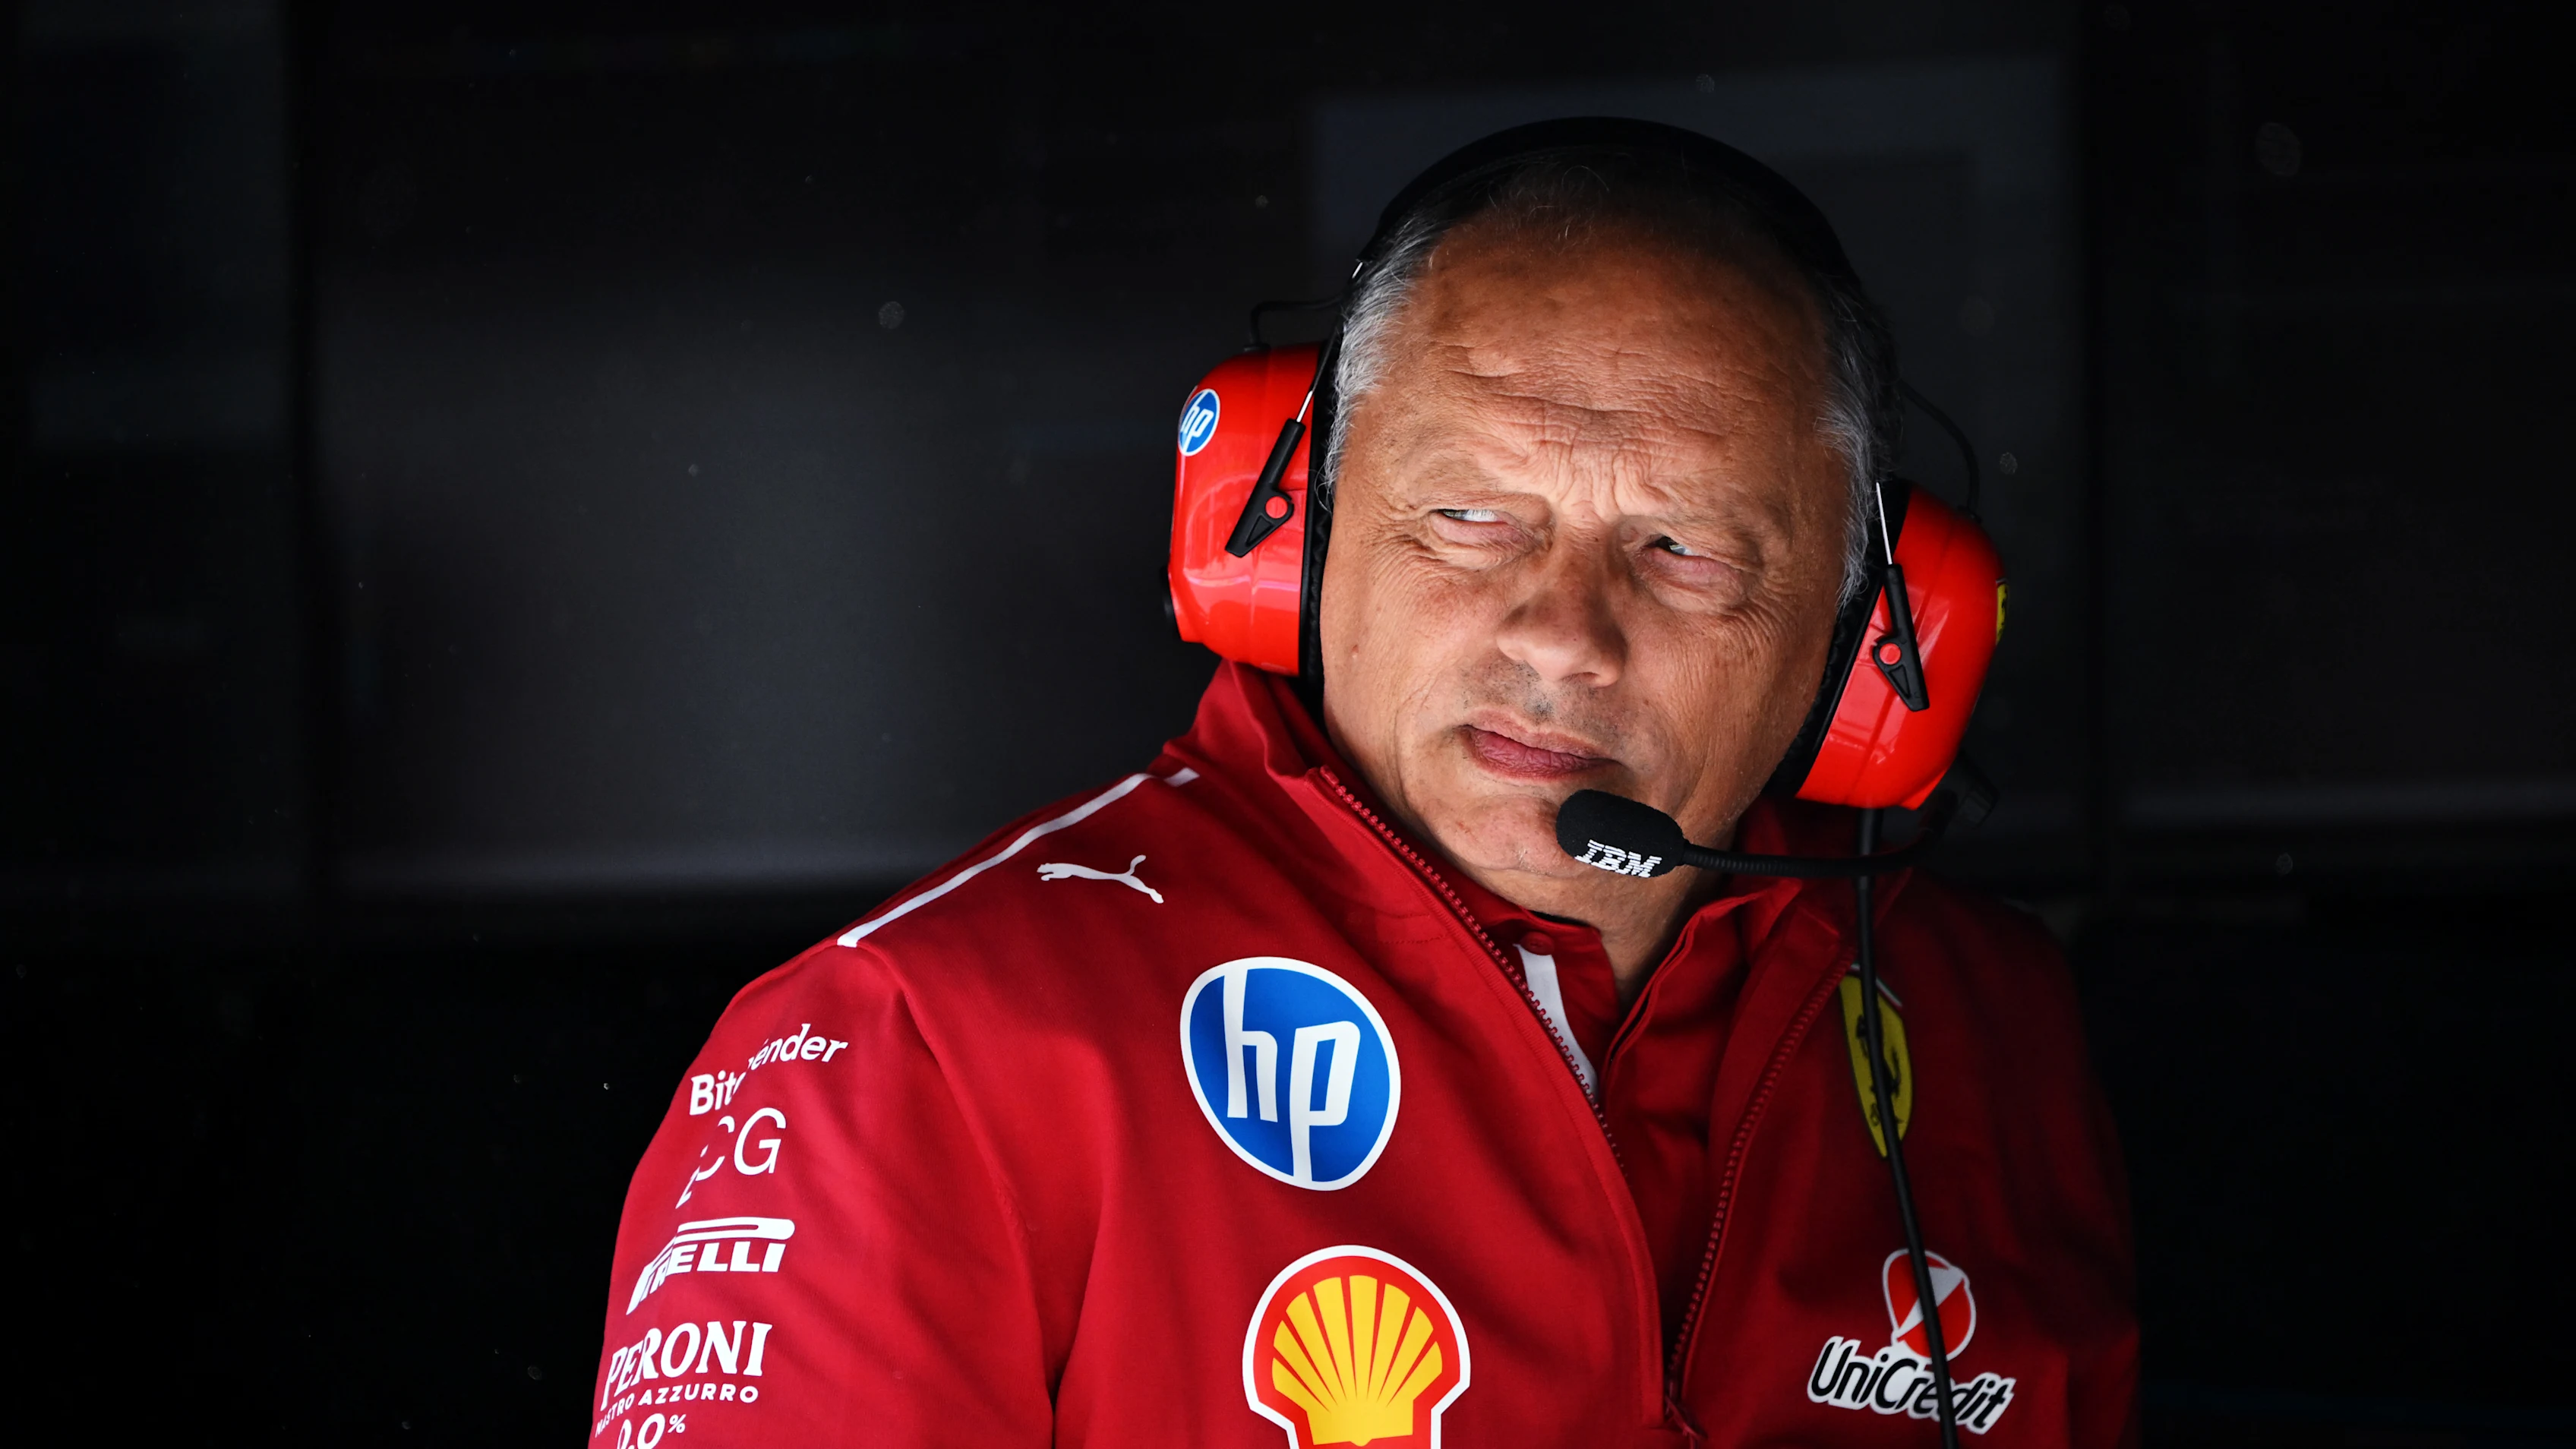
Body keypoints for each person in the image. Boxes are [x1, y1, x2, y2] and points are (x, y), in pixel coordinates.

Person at [589, 122, 2136, 1447]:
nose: (1562, 637)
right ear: (1281, 536)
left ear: (1872, 632)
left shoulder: (1980, 1022)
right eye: (1467, 514)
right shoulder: (916, 1045)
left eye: (1683, 551)